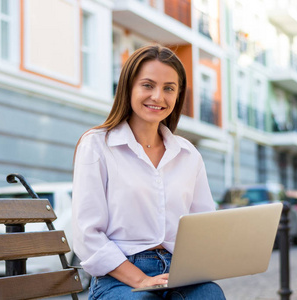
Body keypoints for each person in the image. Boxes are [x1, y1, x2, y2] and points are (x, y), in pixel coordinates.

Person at [71, 45, 226, 299]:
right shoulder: (97, 144)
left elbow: (204, 226)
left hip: (179, 274)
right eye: (147, 85)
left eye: (169, 88)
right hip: (119, 279)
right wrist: (142, 279)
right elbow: (88, 236)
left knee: (210, 294)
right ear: (128, 88)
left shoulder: (188, 154)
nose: (158, 96)